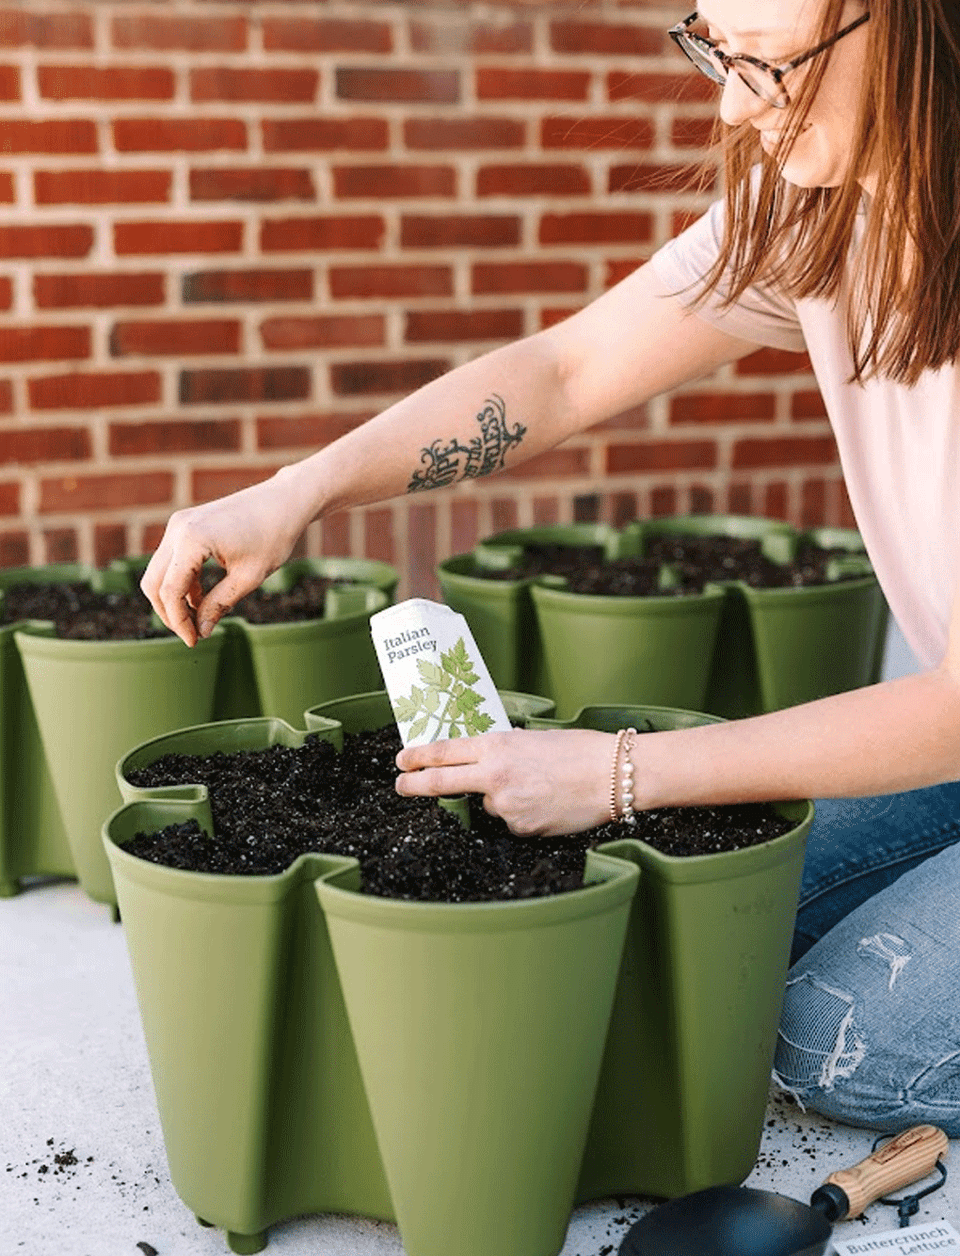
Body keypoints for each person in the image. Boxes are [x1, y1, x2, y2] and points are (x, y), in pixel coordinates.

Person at [142, 0, 960, 1136]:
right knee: (728, 918)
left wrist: (622, 770)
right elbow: (567, 370)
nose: (731, 106)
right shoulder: (814, 208)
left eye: (768, 65)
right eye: (716, 53)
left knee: (831, 1038)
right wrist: (302, 488)